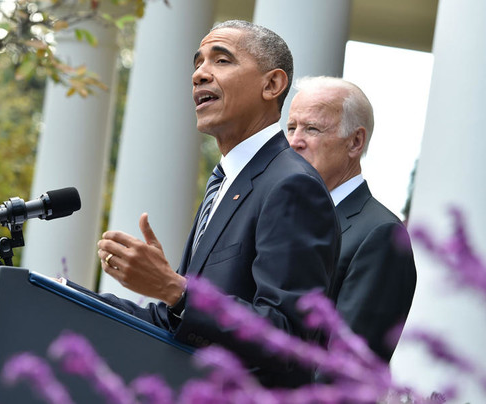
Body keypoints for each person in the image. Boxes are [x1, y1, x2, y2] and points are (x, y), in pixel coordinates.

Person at [83, 20, 340, 387]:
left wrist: (176, 290)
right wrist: (62, 293)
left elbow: (289, 339)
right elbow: (180, 323)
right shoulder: (225, 183)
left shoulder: (292, 186)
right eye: (197, 63)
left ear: (272, 84)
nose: (200, 74)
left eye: (221, 60)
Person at [286, 76, 417, 363]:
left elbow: (346, 372)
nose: (295, 142)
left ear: (355, 142)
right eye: (291, 127)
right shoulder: (281, 219)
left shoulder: (381, 235)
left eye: (312, 128)